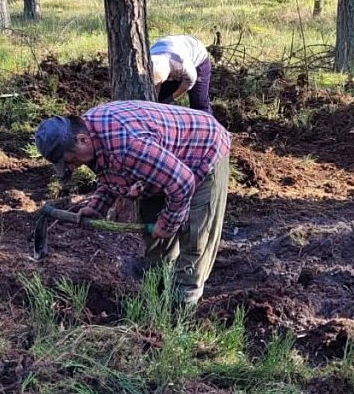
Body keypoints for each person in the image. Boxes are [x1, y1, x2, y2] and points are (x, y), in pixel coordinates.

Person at [35, 101, 231, 305]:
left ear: (82, 140)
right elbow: (109, 172)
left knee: (195, 238)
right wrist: (97, 207)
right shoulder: (90, 134)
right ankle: (157, 291)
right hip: (166, 163)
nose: (72, 167)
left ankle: (181, 305)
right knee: (154, 234)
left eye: (71, 160)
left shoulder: (129, 146)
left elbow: (183, 183)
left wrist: (168, 223)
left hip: (203, 151)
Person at [150, 35, 214, 113]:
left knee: (199, 103)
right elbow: (157, 82)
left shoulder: (182, 63)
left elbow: (190, 81)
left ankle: (206, 119)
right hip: (167, 49)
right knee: (161, 97)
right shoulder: (148, 61)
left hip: (198, 58)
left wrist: (172, 98)